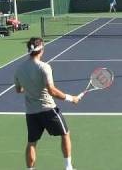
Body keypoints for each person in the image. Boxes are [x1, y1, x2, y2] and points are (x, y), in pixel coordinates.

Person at [14, 37, 80, 170]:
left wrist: (31, 85)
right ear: (41, 50)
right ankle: (68, 167)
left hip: (31, 113)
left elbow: (19, 89)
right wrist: (71, 98)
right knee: (65, 134)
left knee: (31, 143)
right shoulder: (44, 67)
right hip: (48, 110)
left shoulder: (19, 69)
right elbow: (52, 91)